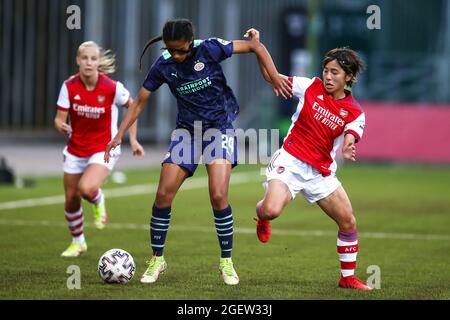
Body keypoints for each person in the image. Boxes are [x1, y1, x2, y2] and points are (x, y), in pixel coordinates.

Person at [105, 19, 291, 285]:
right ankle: (157, 259)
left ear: (191, 42)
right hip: (187, 132)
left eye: (181, 50)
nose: (176, 55)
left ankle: (226, 261)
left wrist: (274, 77)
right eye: (171, 50)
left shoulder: (211, 48)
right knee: (163, 194)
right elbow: (139, 102)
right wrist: (119, 135)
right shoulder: (164, 64)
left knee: (217, 194)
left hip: (219, 128)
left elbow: (255, 47)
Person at [249, 29, 372, 290]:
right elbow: (272, 78)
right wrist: (258, 48)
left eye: (335, 72)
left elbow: (351, 134)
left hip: (321, 173)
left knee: (348, 221)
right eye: (326, 70)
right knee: (271, 210)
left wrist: (349, 146)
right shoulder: (310, 86)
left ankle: (347, 278)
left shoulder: (354, 112)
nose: (328, 76)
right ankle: (261, 216)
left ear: (348, 78)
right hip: (290, 161)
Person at [55, 41, 145, 257]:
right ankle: (78, 242)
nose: (88, 62)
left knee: (85, 189)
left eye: (93, 59)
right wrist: (61, 126)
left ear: (98, 63)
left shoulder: (112, 88)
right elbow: (58, 120)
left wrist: (132, 140)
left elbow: (133, 108)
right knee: (71, 198)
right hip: (76, 148)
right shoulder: (69, 86)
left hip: (103, 148)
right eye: (84, 58)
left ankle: (98, 199)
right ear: (78, 60)